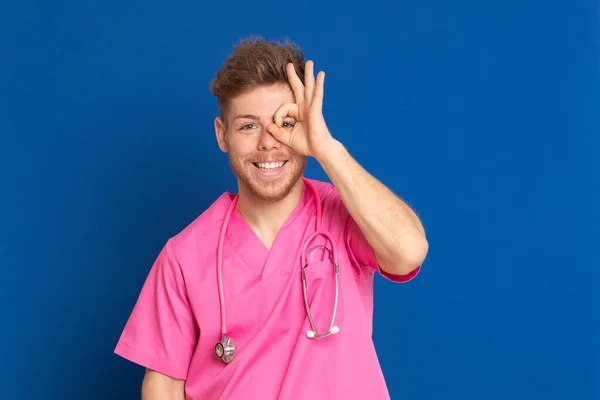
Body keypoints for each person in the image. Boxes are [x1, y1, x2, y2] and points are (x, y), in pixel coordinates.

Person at [114, 37, 428, 399]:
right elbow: (164, 387)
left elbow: (409, 250)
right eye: (248, 126)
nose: (269, 143)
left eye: (285, 123)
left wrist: (326, 149)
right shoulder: (183, 256)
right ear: (222, 135)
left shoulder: (346, 213)